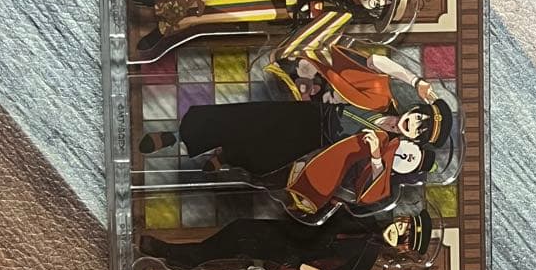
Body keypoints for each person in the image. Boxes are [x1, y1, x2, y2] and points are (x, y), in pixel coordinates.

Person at [139, 43, 452, 217]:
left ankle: (227, 156)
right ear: (415, 108)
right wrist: (416, 81)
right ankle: (178, 135)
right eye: (420, 117)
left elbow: (369, 194)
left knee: (264, 159)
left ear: (415, 139)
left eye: (420, 131)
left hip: (316, 148)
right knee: (248, 118)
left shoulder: (387, 149)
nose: (415, 124)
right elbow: (375, 61)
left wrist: (374, 156)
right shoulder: (383, 97)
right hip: (309, 115)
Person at [128, 0, 408, 57]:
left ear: (373, 13)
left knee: (211, 15)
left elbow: (303, 42)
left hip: (273, 10)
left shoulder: (341, 18)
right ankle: (154, 1)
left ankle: (163, 30)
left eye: (380, 4)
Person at [137, 206, 434, 270]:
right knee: (239, 229)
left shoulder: (366, 262)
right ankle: (188, 258)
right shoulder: (367, 214)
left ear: (402, 249)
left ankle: (176, 254)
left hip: (292, 253)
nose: (398, 233)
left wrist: (300, 267)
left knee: (240, 240)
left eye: (405, 240)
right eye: (404, 227)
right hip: (292, 228)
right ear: (402, 219)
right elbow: (332, 210)